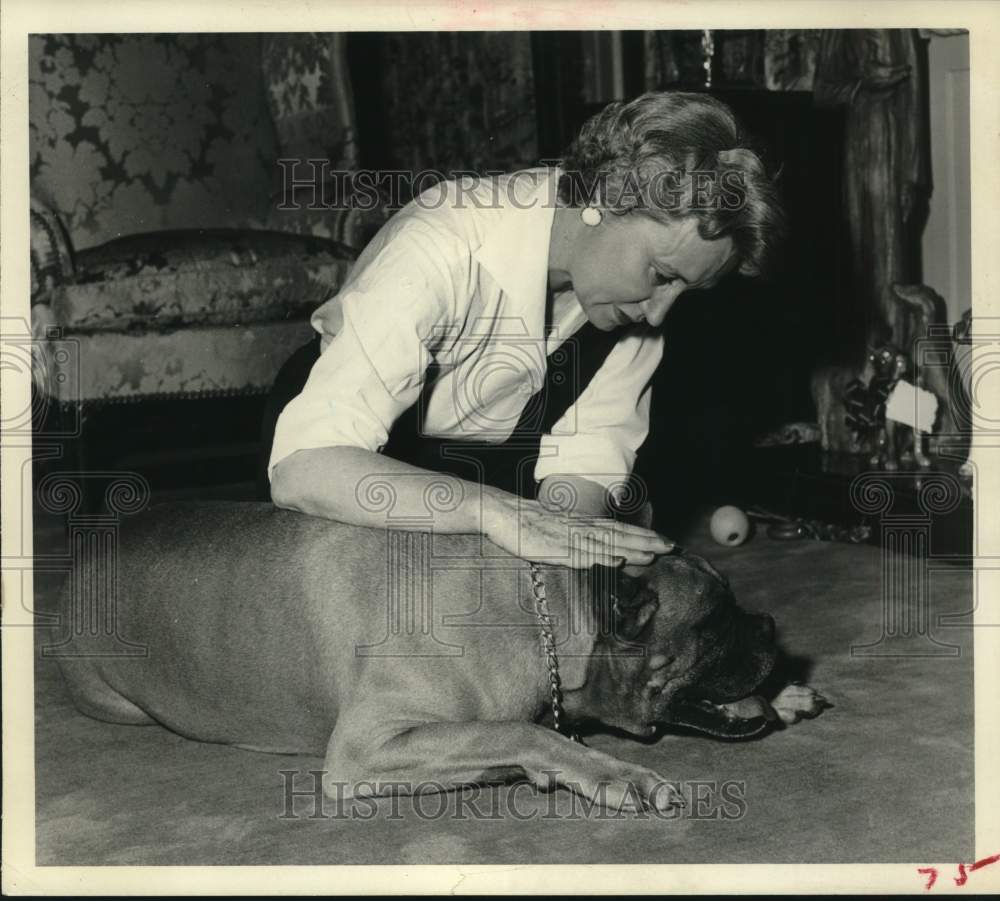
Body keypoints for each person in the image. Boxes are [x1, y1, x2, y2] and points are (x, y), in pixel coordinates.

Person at [263, 91, 784, 570]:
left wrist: (573, 548)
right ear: (607, 195)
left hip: (496, 464)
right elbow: (304, 465)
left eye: (683, 292)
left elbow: (584, 472)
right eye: (662, 275)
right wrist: (499, 515)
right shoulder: (441, 246)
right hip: (352, 452)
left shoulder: (631, 315)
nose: (659, 314)